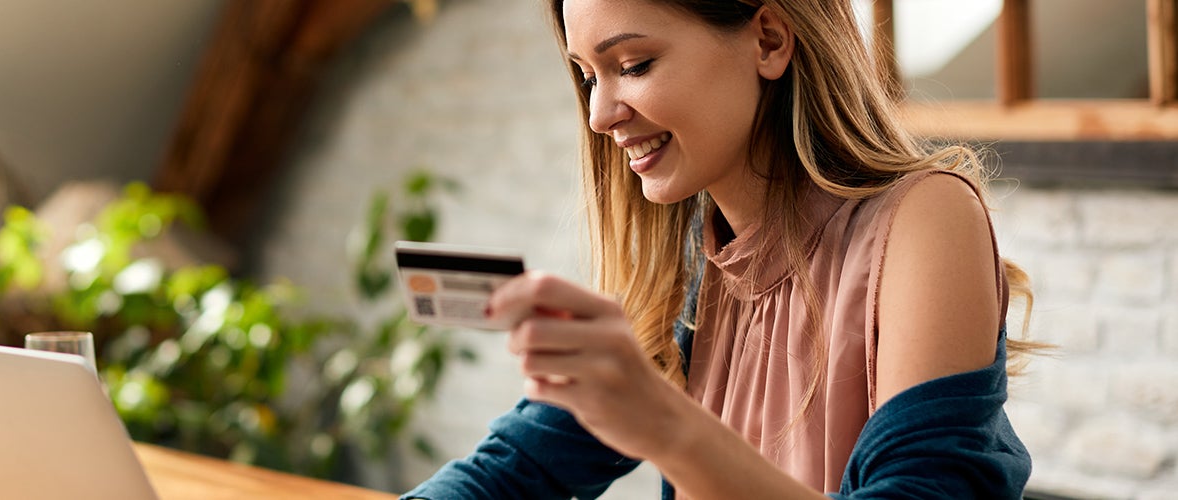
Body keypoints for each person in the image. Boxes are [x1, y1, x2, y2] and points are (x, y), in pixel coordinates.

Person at [402, 0, 1041, 498]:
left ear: (768, 39)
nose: (599, 115)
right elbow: (518, 466)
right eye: (586, 76)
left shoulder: (926, 219)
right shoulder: (687, 262)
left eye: (631, 66)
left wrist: (664, 422)